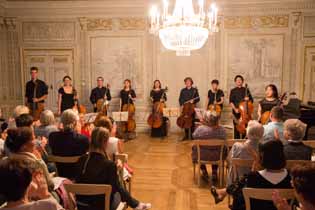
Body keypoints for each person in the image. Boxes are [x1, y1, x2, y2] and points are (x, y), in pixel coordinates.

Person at [75, 127, 151, 210]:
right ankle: (136, 205)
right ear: (105, 143)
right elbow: (114, 188)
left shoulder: (81, 159)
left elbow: (78, 180)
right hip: (102, 206)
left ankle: (136, 204)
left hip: (82, 204)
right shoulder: (109, 165)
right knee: (119, 189)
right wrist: (116, 171)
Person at [211, 140, 292, 210]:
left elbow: (240, 200)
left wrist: (255, 166)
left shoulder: (253, 177)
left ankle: (223, 192)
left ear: (263, 157)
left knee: (241, 187)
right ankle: (223, 192)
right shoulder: (291, 177)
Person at [4, 127, 55, 193]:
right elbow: (50, 186)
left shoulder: (5, 161)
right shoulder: (35, 163)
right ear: (23, 147)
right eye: (33, 139)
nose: (36, 141)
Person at [49, 109, 89, 179]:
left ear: (61, 122)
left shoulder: (52, 136)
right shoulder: (83, 139)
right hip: (77, 176)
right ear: (75, 123)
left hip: (60, 174)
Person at [191, 111, 226, 182]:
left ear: (207, 120)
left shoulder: (200, 129)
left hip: (202, 156)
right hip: (217, 156)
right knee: (218, 149)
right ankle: (214, 172)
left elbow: (194, 136)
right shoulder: (222, 130)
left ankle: (204, 171)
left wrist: (202, 125)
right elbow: (225, 138)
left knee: (195, 147)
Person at [229, 75, 253, 139]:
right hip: (236, 112)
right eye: (237, 80)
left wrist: (248, 99)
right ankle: (236, 142)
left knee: (245, 128)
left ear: (242, 81)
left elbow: (251, 101)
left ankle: (244, 142)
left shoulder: (246, 90)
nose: (239, 81)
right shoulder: (233, 90)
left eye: (240, 80)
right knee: (236, 127)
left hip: (245, 113)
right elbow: (231, 102)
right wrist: (235, 109)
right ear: (235, 82)